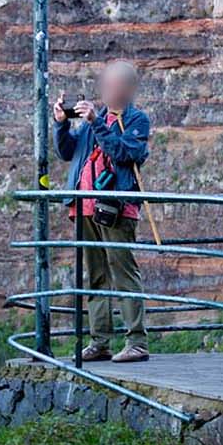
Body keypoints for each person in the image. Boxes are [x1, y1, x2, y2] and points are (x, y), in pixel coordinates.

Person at [52, 59, 151, 363]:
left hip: (116, 209)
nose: (108, 89)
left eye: (114, 84)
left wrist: (95, 122)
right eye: (106, 84)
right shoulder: (97, 118)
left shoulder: (136, 120)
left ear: (128, 88)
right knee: (95, 275)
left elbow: (125, 153)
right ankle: (100, 341)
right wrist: (62, 124)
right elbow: (68, 152)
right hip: (84, 207)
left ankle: (136, 342)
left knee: (123, 272)